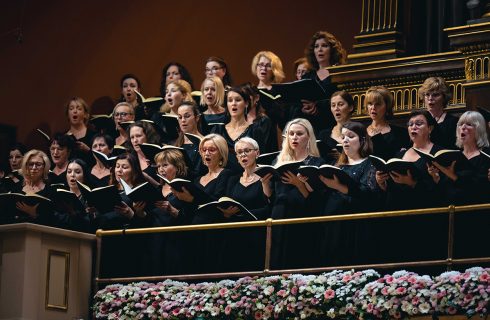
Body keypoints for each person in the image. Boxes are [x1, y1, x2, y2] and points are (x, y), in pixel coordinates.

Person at [375, 110, 446, 267]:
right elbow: (391, 188)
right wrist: (382, 183)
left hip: (425, 219)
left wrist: (412, 183)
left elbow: (443, 191)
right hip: (398, 216)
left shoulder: (439, 154)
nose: (413, 127)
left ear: (430, 129)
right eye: (410, 124)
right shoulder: (399, 154)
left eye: (419, 124)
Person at [319, 122, 378, 266]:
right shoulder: (336, 164)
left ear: (363, 140)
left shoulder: (369, 163)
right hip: (333, 221)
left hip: (355, 223)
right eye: (343, 137)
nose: (345, 140)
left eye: (350, 136)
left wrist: (339, 186)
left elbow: (367, 193)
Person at [172, 134, 233, 273]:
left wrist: (192, 200)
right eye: (204, 150)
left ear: (221, 153)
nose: (207, 153)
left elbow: (218, 201)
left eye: (212, 150)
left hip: (214, 230)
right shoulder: (197, 179)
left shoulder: (226, 174)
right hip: (195, 229)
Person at [271, 118, 325, 269]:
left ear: (308, 137)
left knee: (298, 257)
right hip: (280, 213)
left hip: (302, 215)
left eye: (299, 134)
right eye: (291, 133)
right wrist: (264, 183)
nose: (294, 137)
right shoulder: (279, 161)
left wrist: (298, 184)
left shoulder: (316, 163)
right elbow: (272, 194)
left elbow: (317, 200)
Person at [220, 137, 272, 272]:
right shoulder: (232, 179)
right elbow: (226, 203)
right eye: (239, 152)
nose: (243, 155)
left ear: (257, 153)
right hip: (236, 230)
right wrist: (226, 213)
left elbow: (269, 205)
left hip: (257, 231)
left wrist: (265, 185)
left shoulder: (266, 177)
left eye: (247, 151)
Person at [291, 31, 347, 134]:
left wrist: (317, 107)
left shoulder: (339, 75)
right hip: (309, 129)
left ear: (332, 50)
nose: (319, 49)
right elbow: (297, 104)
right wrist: (304, 109)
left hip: (332, 126)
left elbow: (343, 101)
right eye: (316, 46)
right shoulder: (307, 76)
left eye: (324, 46)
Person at [150, 149, 192, 275]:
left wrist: (172, 210)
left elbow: (191, 216)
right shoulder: (156, 188)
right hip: (155, 238)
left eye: (165, 165)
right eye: (158, 166)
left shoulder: (185, 187)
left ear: (177, 167)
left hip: (176, 240)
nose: (161, 169)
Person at [211, 86, 258, 173]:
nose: (233, 103)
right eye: (230, 100)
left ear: (246, 103)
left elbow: (260, 159)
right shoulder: (217, 130)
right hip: (222, 178)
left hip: (247, 178)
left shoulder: (255, 130)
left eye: (238, 100)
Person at [5, 150, 55, 225]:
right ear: (25, 166)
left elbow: (52, 220)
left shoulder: (50, 191)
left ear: (44, 167)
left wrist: (34, 214)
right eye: (31, 164)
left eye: (38, 164)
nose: (34, 168)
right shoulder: (16, 188)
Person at [364, 86, 410, 160]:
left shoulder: (400, 133)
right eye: (370, 103)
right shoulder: (360, 132)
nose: (373, 107)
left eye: (378, 104)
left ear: (387, 106)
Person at [251, 51, 288, 132]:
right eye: (260, 64)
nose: (263, 68)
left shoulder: (280, 92)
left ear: (274, 70)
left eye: (268, 66)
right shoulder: (251, 92)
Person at [419, 77, 459, 149]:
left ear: (444, 97)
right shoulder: (418, 122)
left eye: (435, 95)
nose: (430, 98)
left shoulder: (454, 122)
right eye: (427, 94)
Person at [54, 159, 93, 232]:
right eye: (69, 172)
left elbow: (89, 223)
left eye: (77, 172)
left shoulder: (90, 197)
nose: (72, 175)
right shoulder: (59, 194)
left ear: (84, 176)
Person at [318, 90, 355, 162]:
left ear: (351, 107)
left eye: (340, 104)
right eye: (333, 105)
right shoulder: (324, 134)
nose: (336, 109)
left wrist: (343, 158)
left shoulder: (359, 132)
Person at [175, 102, 206, 178]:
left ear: (197, 118)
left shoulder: (204, 142)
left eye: (187, 116)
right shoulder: (177, 143)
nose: (183, 120)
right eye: (180, 117)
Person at [64, 97, 96, 165]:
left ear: (86, 115)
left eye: (79, 109)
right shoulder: (63, 137)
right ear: (67, 115)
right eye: (71, 108)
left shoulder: (94, 136)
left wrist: (88, 150)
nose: (75, 111)